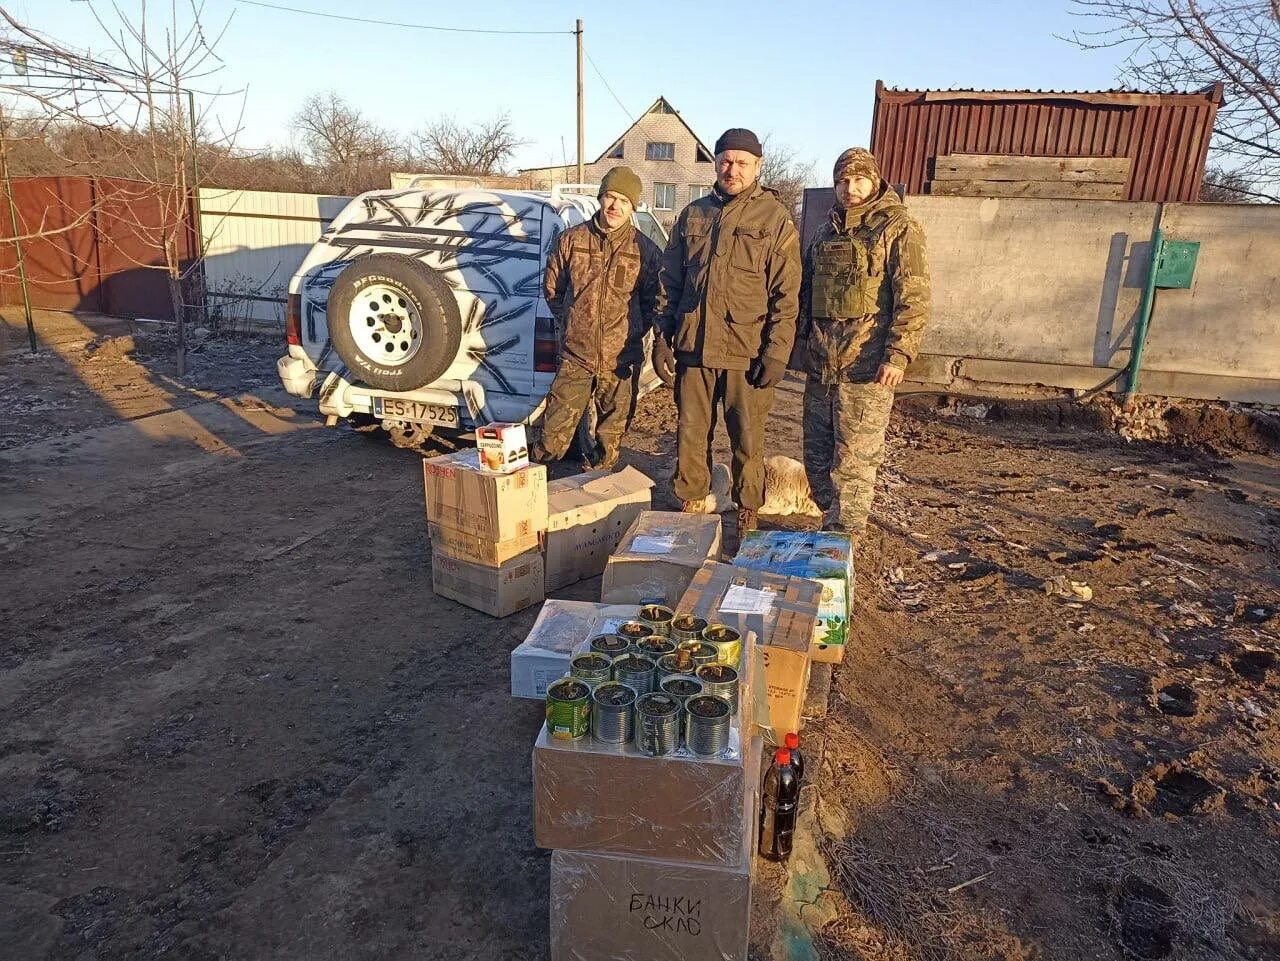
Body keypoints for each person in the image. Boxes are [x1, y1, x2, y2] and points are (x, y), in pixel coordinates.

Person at [653, 128, 801, 534]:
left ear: (757, 167)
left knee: (746, 438)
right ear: (716, 163)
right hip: (694, 347)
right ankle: (691, 505)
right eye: (725, 160)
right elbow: (671, 281)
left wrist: (777, 352)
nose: (731, 169)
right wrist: (662, 339)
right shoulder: (693, 214)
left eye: (741, 162)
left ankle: (747, 511)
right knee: (691, 433)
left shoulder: (775, 219)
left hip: (746, 350)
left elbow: (786, 294)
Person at [798, 147, 931, 537]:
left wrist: (898, 354)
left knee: (854, 462)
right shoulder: (825, 232)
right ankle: (829, 520)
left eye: (858, 180)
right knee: (817, 458)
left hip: (868, 369)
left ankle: (845, 540)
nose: (849, 188)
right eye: (842, 181)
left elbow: (914, 296)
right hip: (822, 367)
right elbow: (807, 296)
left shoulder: (899, 228)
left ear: (875, 182)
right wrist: (801, 347)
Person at [533, 166, 664, 470]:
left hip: (620, 362)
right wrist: (574, 322)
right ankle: (535, 495)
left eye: (623, 201)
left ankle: (597, 495)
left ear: (633, 207)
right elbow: (553, 290)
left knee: (610, 441)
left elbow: (652, 303)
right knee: (552, 436)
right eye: (610, 197)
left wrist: (629, 335)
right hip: (575, 358)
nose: (615, 206)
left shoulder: (645, 251)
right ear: (601, 198)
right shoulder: (571, 241)